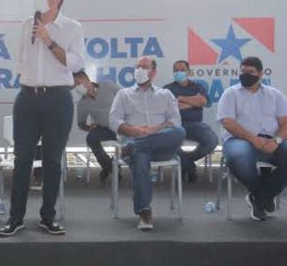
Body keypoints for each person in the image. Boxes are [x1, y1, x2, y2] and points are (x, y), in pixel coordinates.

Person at [0, 0, 86, 237]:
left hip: (58, 99)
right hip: (27, 98)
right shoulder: (27, 24)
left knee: (51, 161)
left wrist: (49, 41)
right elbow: (20, 57)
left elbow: (75, 63)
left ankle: (48, 217)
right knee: (22, 159)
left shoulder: (72, 27)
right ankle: (16, 218)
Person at [216, 56, 287, 221]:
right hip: (240, 139)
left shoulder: (275, 94)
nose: (245, 75)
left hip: (273, 140)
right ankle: (264, 195)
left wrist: (277, 141)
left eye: (250, 72)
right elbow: (227, 122)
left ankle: (259, 197)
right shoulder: (230, 94)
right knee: (238, 158)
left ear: (260, 74)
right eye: (242, 71)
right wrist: (253, 139)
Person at [108, 57, 185, 231]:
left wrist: (155, 129)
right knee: (140, 157)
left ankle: (134, 146)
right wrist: (133, 131)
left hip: (161, 143)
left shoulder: (165, 94)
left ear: (154, 72)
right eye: (137, 67)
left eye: (143, 67)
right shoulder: (124, 94)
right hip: (133, 139)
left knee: (180, 132)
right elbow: (113, 121)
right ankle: (144, 210)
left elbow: (176, 120)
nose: (138, 70)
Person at [164, 60, 219, 183]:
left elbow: (203, 101)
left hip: (194, 125)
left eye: (182, 70)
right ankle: (189, 166)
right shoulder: (167, 89)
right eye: (176, 70)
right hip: (174, 125)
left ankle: (186, 163)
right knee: (169, 145)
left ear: (189, 72)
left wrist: (181, 98)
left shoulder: (198, 86)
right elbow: (169, 107)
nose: (179, 72)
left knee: (212, 141)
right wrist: (192, 103)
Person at [73, 70, 121, 182]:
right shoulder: (82, 103)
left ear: (87, 80)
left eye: (77, 83)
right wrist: (89, 127)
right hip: (104, 128)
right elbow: (81, 123)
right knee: (91, 138)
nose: (76, 87)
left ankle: (112, 165)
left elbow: (126, 98)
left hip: (122, 125)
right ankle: (111, 168)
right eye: (74, 85)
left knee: (131, 140)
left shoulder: (108, 86)